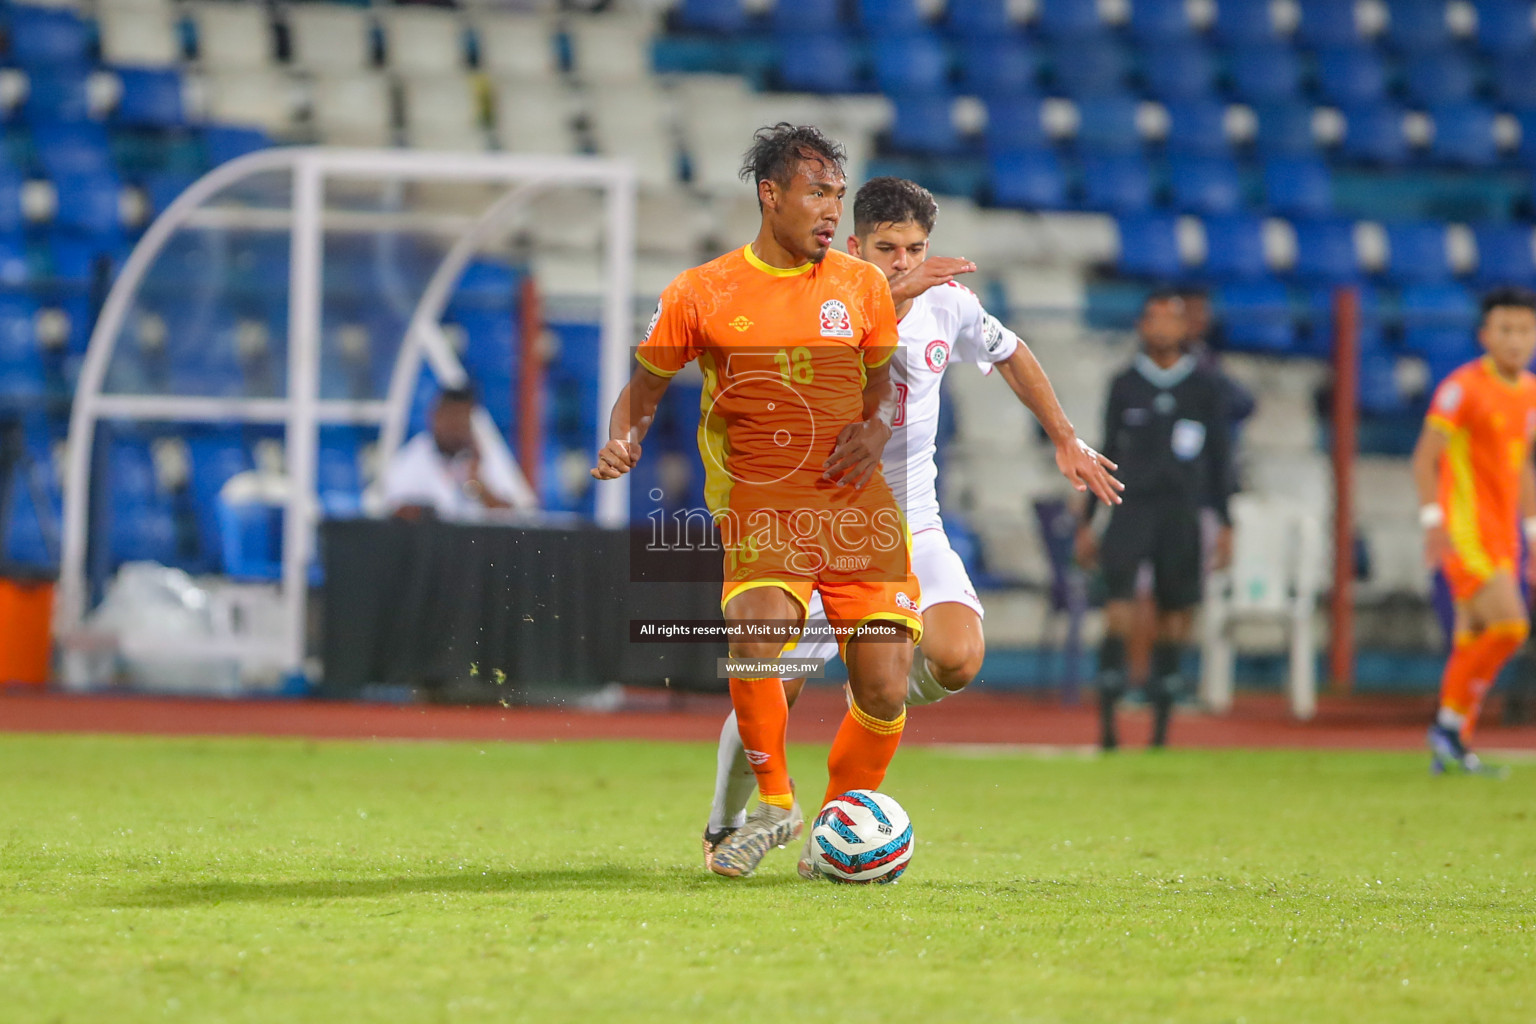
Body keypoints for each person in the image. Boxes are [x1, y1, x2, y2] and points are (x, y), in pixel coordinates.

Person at [700, 177, 1123, 867]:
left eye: (915, 248)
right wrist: (889, 293)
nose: (903, 261)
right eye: (887, 248)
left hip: (909, 527)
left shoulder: (948, 305)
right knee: (775, 681)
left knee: (955, 657)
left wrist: (1064, 436)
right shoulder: (810, 298)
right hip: (813, 527)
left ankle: (833, 823)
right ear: (853, 244)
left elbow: (1010, 350)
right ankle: (726, 820)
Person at [592, 124, 924, 879]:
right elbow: (642, 393)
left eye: (839, 195)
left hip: (857, 510)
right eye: (818, 194)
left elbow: (877, 389)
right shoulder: (700, 292)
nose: (833, 210)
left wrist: (875, 431)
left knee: (883, 682)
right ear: (770, 196)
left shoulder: (861, 286)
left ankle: (831, 839)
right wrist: (624, 439)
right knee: (758, 629)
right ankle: (775, 803)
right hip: (763, 504)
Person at [1076, 290, 1233, 751]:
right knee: (1118, 606)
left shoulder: (1206, 386)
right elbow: (1104, 449)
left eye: (1171, 319)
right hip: (1130, 508)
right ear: (1142, 326)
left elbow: (1221, 458)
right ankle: (1108, 725)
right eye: (1153, 319)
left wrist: (1225, 521)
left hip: (1182, 513)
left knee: (1176, 610)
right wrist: (1089, 519)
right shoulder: (1125, 383)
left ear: (1186, 329)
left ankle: (1161, 730)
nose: (1161, 328)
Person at [1410, 286, 1536, 775]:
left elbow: (1522, 467)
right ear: (1485, 335)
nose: (1515, 340)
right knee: (1511, 624)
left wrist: (1531, 533)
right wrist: (1432, 522)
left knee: (1474, 635)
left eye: (1524, 330)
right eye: (1505, 329)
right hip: (1467, 530)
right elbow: (1424, 459)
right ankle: (1447, 727)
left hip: (1504, 534)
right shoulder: (1461, 388)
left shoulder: (1529, 391)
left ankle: (1453, 743)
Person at [381, 386, 527, 521]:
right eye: (451, 418)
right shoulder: (414, 456)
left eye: (462, 419)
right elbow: (395, 510)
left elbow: (514, 516)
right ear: (435, 417)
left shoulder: (485, 454)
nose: (456, 427)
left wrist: (477, 484)